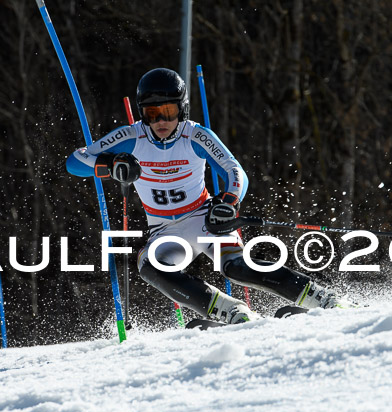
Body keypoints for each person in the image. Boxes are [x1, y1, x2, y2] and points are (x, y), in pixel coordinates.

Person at [66, 68, 337, 324]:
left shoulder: (195, 135)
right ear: (142, 113)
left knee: (237, 268)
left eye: (169, 112)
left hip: (204, 219)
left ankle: (322, 298)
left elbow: (235, 171)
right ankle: (231, 311)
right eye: (152, 113)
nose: (161, 121)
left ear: (181, 109)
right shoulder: (131, 136)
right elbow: (75, 162)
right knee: (150, 266)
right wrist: (109, 166)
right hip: (164, 229)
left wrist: (229, 202)